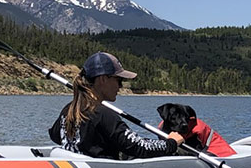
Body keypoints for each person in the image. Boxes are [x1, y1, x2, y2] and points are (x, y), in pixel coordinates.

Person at [49, 52, 185, 159]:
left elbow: (55, 135)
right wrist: (171, 143)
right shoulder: (103, 114)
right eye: (118, 80)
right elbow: (137, 146)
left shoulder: (69, 110)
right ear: (102, 79)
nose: (120, 86)